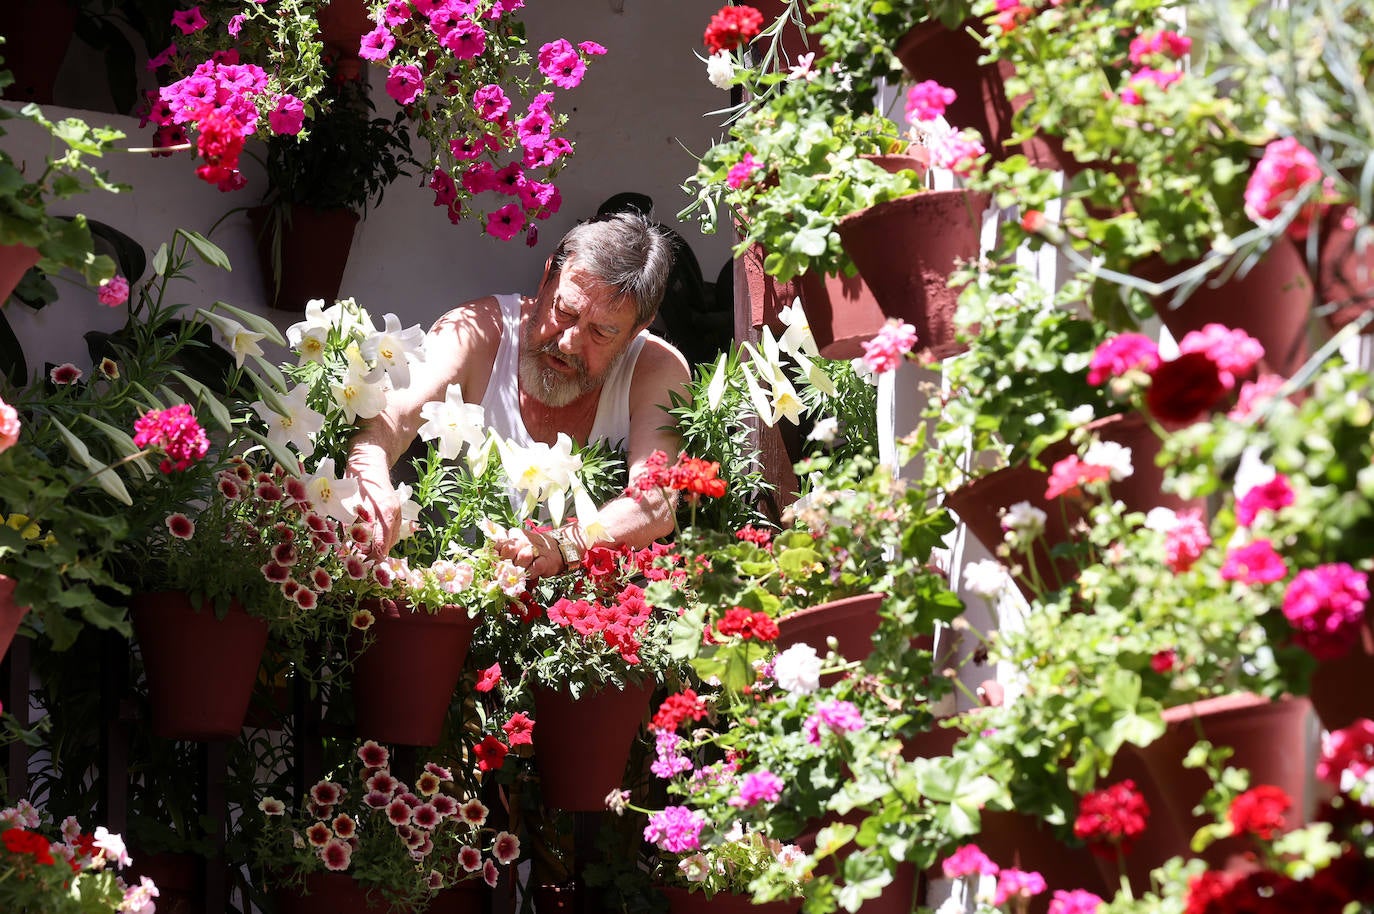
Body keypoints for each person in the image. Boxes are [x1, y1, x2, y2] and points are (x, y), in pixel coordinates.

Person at [346, 211, 692, 578]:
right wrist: (368, 472)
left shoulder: (655, 369)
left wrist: (563, 547)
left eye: (601, 333)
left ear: (639, 326)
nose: (569, 342)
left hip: (571, 622)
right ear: (547, 276)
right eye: (565, 310)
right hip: (442, 595)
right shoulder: (479, 330)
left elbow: (656, 500)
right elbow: (397, 410)